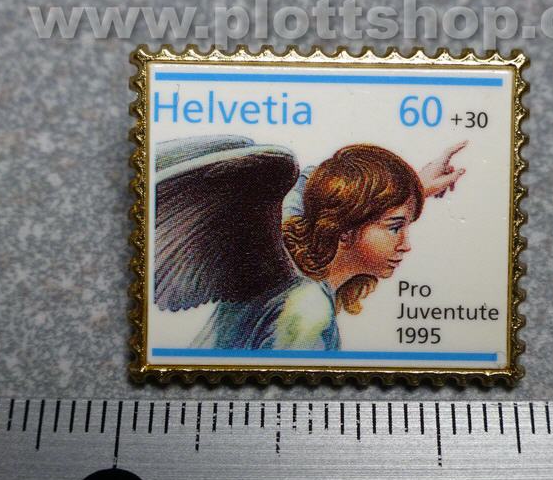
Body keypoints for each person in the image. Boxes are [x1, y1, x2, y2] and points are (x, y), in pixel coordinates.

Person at [190, 141, 467, 350]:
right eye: (395, 228)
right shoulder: (309, 312)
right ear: (344, 231)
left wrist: (413, 187)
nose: (406, 246)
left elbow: (316, 183)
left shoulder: (291, 233)